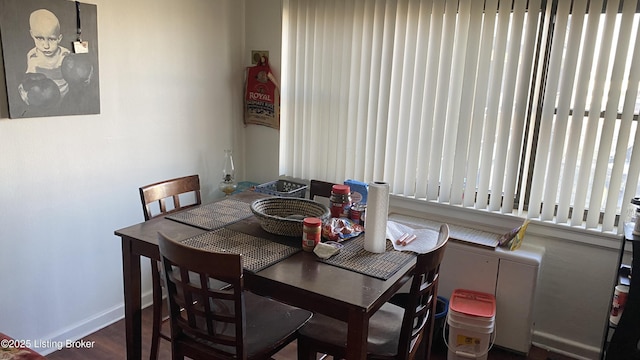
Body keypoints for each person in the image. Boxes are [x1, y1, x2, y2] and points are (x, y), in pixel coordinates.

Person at [18, 9, 70, 106]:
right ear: (32, 35)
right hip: (43, 99)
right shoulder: (33, 56)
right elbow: (29, 78)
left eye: (51, 39)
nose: (46, 45)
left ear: (59, 38)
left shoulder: (65, 54)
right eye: (40, 38)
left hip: (64, 96)